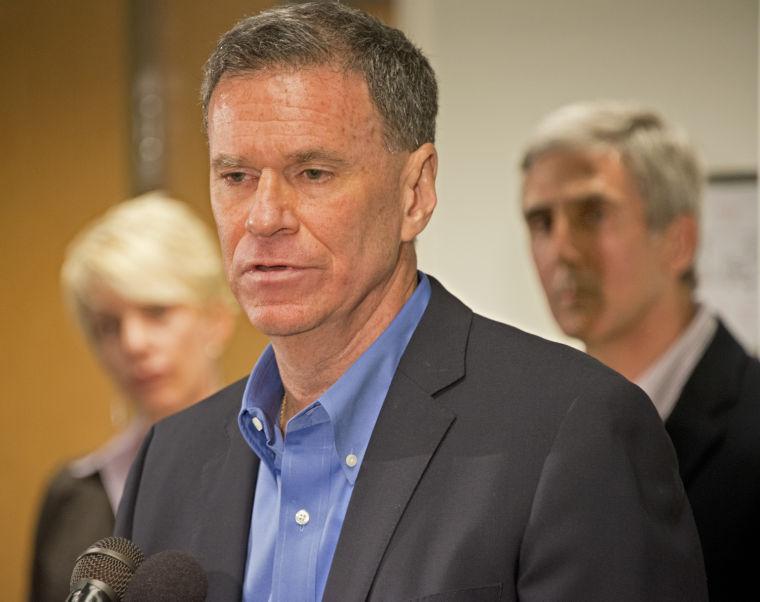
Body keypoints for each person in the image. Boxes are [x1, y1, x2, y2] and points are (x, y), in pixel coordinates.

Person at [116, 5, 707, 601]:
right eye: (236, 176)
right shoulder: (171, 459)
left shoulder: (574, 431)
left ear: (416, 193)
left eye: (313, 172)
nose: (263, 218)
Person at [520, 101, 760, 601]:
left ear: (678, 240)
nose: (560, 249)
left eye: (593, 214)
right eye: (542, 222)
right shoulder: (532, 432)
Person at [30, 193, 236, 602]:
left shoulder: (273, 475)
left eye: (157, 312)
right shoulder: (74, 496)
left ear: (216, 318)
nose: (133, 343)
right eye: (109, 326)